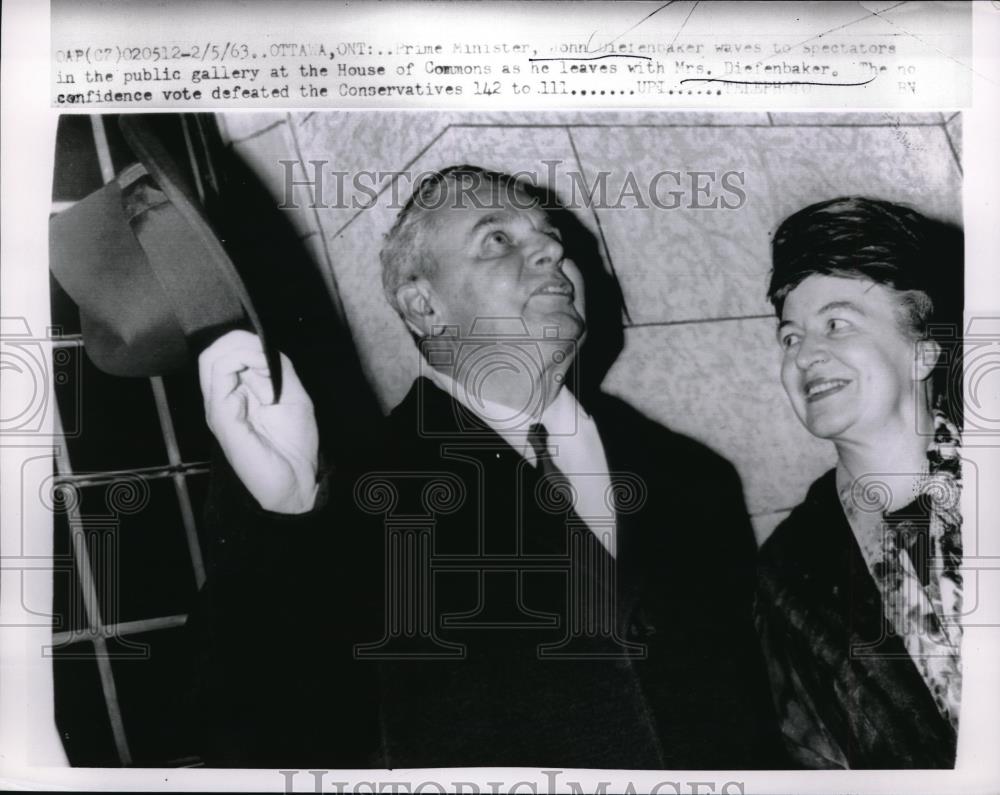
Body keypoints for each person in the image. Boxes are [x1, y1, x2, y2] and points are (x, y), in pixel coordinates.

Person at [190, 166, 784, 768]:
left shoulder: (694, 477)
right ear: (423, 305)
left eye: (550, 236)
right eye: (497, 239)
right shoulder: (357, 496)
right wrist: (280, 518)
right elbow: (260, 731)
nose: (552, 249)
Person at [754, 197, 964, 768]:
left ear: (922, 350)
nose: (803, 355)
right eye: (791, 337)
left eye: (836, 324)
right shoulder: (786, 575)